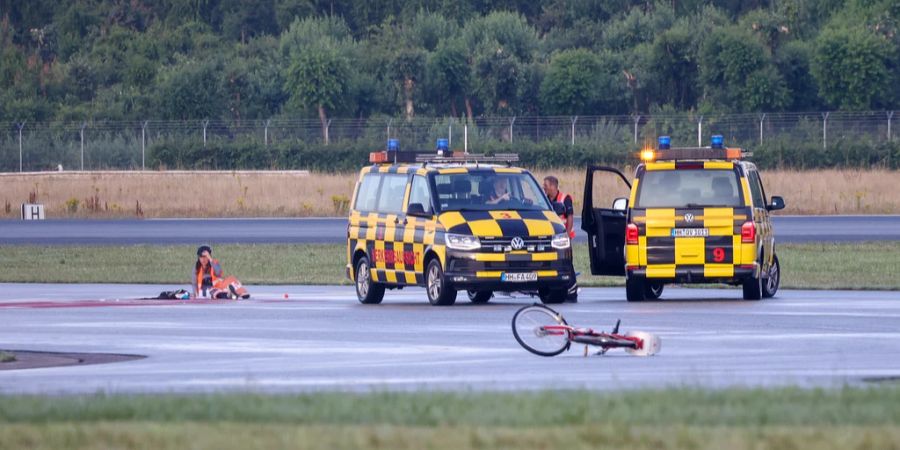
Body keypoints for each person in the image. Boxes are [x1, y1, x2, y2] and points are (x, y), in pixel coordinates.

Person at [543, 176, 578, 302]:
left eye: (545, 185)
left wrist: (567, 235)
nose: (544, 188)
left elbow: (570, 217)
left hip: (563, 238)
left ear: (553, 186)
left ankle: (572, 291)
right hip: (550, 238)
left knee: (567, 264)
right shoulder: (545, 200)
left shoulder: (565, 198)